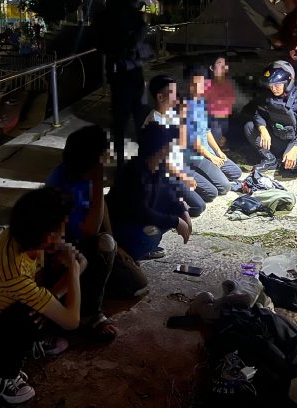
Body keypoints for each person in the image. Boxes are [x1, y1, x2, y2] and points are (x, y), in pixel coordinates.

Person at [0, 187, 86, 405]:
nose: (65, 229)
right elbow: (72, 321)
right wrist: (72, 269)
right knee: (28, 314)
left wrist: (51, 297)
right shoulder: (13, 273)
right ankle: (1, 375)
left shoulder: (20, 235)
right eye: (62, 225)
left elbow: (76, 262)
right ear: (47, 235)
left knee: (39, 303)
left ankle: (28, 340)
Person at [44, 125, 119, 340]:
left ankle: (93, 286)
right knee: (105, 246)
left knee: (136, 284)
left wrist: (116, 245)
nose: (109, 157)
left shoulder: (85, 172)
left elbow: (100, 208)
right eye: (105, 153)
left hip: (82, 243)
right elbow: (89, 231)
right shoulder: (61, 184)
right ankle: (89, 313)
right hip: (64, 253)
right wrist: (98, 183)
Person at [93, 0, 157, 170]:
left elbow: (100, 44)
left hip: (117, 72)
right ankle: (143, 160)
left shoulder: (107, 14)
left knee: (120, 120)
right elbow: (135, 44)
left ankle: (121, 162)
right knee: (139, 118)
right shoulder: (132, 16)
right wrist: (142, 27)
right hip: (129, 72)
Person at [106, 122, 193, 262]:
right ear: (161, 148)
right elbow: (141, 212)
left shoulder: (156, 167)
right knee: (152, 235)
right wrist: (176, 221)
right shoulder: (134, 174)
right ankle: (131, 250)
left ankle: (141, 245)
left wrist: (182, 210)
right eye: (169, 145)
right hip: (123, 225)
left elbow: (168, 192)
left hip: (139, 218)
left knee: (175, 211)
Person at [143, 74, 205, 218]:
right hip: (166, 174)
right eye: (172, 93)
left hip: (180, 165)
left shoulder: (170, 113)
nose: (176, 97)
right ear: (160, 97)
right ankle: (170, 206)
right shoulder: (154, 123)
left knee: (212, 192)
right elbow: (163, 162)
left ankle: (177, 197)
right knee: (199, 206)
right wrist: (184, 177)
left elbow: (182, 143)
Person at [244, 60, 297, 174]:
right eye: (271, 85)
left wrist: (294, 150)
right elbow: (259, 114)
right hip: (279, 138)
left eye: (277, 85)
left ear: (288, 82)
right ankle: (270, 160)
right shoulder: (269, 97)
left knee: (291, 166)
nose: (273, 89)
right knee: (249, 127)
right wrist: (263, 129)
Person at [185, 64, 243, 198]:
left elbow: (206, 131)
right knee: (224, 187)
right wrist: (212, 158)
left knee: (236, 173)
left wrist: (218, 151)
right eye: (196, 84)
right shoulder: (186, 108)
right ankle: (199, 174)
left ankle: (212, 172)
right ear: (189, 85)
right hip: (197, 156)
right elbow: (194, 142)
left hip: (208, 152)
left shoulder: (201, 103)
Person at [204, 55, 236, 148]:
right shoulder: (207, 84)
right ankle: (217, 142)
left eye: (225, 65)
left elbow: (230, 104)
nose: (223, 67)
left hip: (223, 121)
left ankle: (219, 141)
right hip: (211, 121)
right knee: (214, 122)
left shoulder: (228, 84)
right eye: (219, 64)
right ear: (212, 68)